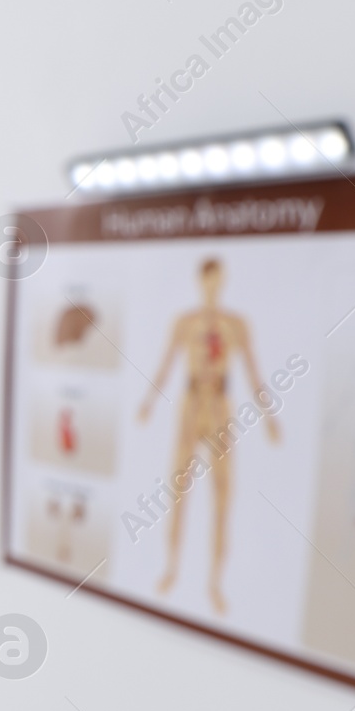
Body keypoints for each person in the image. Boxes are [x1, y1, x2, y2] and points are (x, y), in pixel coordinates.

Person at [137, 257, 278, 614]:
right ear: (201, 282)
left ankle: (215, 582)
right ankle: (171, 568)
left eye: (218, 281)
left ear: (223, 282)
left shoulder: (236, 324)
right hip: (190, 406)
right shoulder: (185, 323)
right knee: (178, 490)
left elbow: (253, 371)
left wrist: (269, 416)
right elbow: (167, 364)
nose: (213, 287)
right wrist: (149, 402)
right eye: (208, 281)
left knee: (222, 495)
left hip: (219, 406)